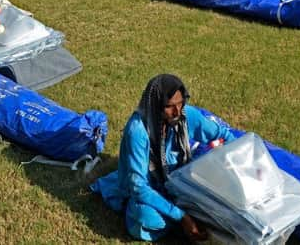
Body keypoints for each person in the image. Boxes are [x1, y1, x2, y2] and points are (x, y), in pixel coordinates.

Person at [92, 74, 235, 241]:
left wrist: (238, 162)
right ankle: (181, 221)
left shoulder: (187, 115)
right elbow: (139, 188)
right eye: (169, 106)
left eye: (180, 103)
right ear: (155, 106)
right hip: (149, 189)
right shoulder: (137, 132)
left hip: (179, 182)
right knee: (145, 217)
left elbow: (223, 134)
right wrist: (182, 217)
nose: (176, 111)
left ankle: (185, 218)